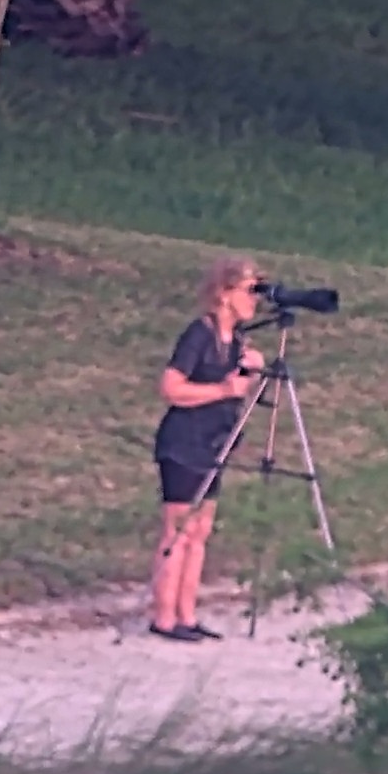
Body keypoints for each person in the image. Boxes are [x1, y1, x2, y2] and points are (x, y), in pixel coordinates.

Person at [149, 255, 266, 641]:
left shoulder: (238, 343)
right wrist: (221, 388)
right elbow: (171, 387)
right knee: (179, 530)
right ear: (224, 292)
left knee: (200, 531)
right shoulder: (200, 335)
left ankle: (187, 613)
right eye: (250, 290)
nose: (256, 299)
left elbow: (236, 393)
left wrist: (249, 373)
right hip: (184, 442)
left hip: (215, 445)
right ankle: (163, 616)